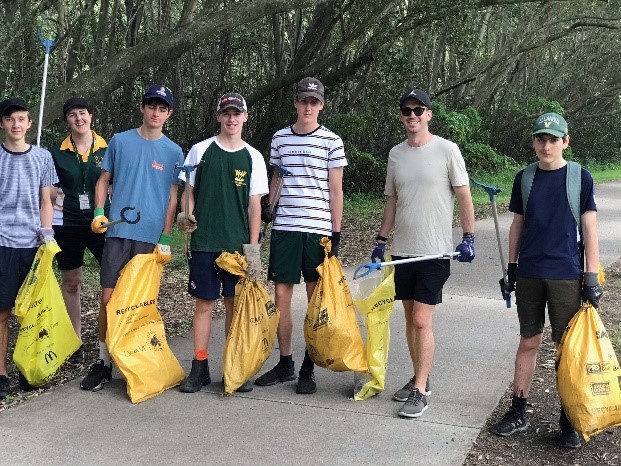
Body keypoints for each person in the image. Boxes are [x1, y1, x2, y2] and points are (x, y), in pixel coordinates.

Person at [489, 112, 601, 449]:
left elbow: (590, 228)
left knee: (566, 348)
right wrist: (511, 268)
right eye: (541, 139)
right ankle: (518, 408)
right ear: (534, 142)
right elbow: (517, 225)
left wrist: (591, 275)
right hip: (530, 272)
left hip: (567, 273)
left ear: (565, 141)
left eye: (553, 139)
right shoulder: (525, 178)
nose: (546, 145)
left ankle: (569, 418)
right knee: (528, 341)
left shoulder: (580, 177)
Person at [370, 88, 475, 418]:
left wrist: (469, 236)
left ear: (429, 114)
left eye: (418, 110)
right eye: (406, 110)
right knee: (408, 318)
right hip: (402, 251)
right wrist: (380, 239)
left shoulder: (446, 150)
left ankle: (421, 389)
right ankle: (419, 378)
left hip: (435, 252)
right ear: (401, 116)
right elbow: (392, 200)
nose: (412, 115)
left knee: (420, 319)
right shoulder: (396, 154)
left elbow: (464, 195)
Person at [79, 84, 184, 391]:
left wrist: (166, 236)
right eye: (151, 105)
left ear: (169, 114)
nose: (156, 112)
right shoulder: (120, 141)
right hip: (118, 233)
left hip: (150, 239)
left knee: (140, 303)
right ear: (142, 107)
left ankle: (134, 361)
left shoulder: (174, 151)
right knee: (108, 299)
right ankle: (104, 362)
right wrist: (99, 211)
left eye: (162, 108)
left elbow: (172, 199)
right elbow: (104, 180)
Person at [254, 77, 347, 395]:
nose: (308, 106)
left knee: (313, 301)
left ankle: (309, 366)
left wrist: (336, 231)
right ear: (295, 103)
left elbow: (336, 189)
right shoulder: (280, 138)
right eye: (303, 100)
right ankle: (285, 363)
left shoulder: (332, 142)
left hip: (317, 230)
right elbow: (277, 177)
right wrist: (269, 208)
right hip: (285, 229)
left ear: (321, 105)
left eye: (314, 101)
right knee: (281, 298)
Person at [175, 92, 268, 393]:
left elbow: (255, 205)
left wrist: (252, 249)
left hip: (236, 246)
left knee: (233, 305)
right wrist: (185, 213)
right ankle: (199, 367)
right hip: (204, 241)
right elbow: (188, 189)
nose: (231, 118)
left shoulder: (253, 157)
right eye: (226, 113)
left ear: (245, 117)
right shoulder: (200, 151)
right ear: (218, 116)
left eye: (236, 113)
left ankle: (233, 366)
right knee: (204, 304)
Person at [0, 97, 58, 400]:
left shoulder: (43, 157)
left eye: (21, 119)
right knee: (3, 311)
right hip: (3, 244)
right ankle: (1, 373)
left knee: (31, 313)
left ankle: (27, 367)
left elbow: (46, 201)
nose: (16, 125)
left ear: (29, 124)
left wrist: (47, 236)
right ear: (2, 124)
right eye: (10, 119)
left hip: (33, 245)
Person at [50, 97, 109, 365]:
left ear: (91, 116)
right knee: (71, 281)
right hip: (68, 223)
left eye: (82, 113)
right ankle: (75, 341)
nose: (78, 119)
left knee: (112, 280)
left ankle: (109, 338)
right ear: (67, 121)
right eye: (72, 115)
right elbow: (49, 190)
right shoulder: (56, 151)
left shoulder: (108, 148)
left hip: (101, 222)